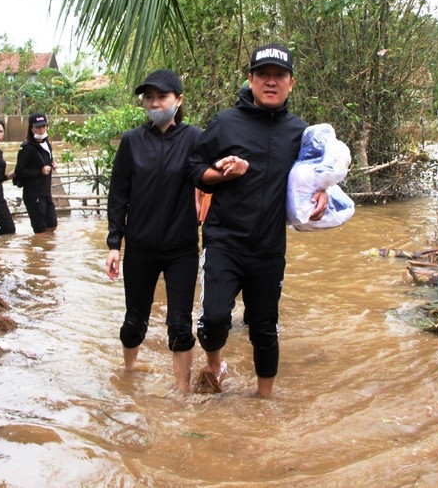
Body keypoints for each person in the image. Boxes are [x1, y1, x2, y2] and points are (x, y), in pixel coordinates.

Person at [188, 43, 328, 398]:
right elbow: (194, 169)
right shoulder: (225, 123)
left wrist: (323, 193)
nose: (271, 81)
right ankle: (214, 362)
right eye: (262, 74)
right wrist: (221, 175)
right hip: (224, 241)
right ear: (250, 79)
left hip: (268, 248)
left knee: (265, 328)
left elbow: (317, 177)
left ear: (291, 83)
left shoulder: (301, 134)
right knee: (214, 319)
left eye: (279, 75)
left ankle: (265, 403)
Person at [105, 69, 202, 393]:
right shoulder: (132, 141)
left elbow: (214, 175)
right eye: (149, 98)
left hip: (182, 248)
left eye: (162, 97)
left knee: (180, 324)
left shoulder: (194, 139)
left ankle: (182, 393)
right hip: (141, 247)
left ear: (179, 100)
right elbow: (118, 193)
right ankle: (128, 372)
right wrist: (114, 244)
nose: (155, 103)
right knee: (135, 321)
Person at [14, 113, 58, 234]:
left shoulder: (47, 144)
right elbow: (19, 171)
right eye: (38, 127)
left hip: (46, 191)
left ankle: (47, 250)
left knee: (52, 225)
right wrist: (40, 171)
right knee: (40, 230)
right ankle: (37, 251)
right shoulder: (27, 148)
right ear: (31, 128)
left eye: (44, 126)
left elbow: (44, 159)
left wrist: (51, 163)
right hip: (33, 194)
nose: (41, 129)